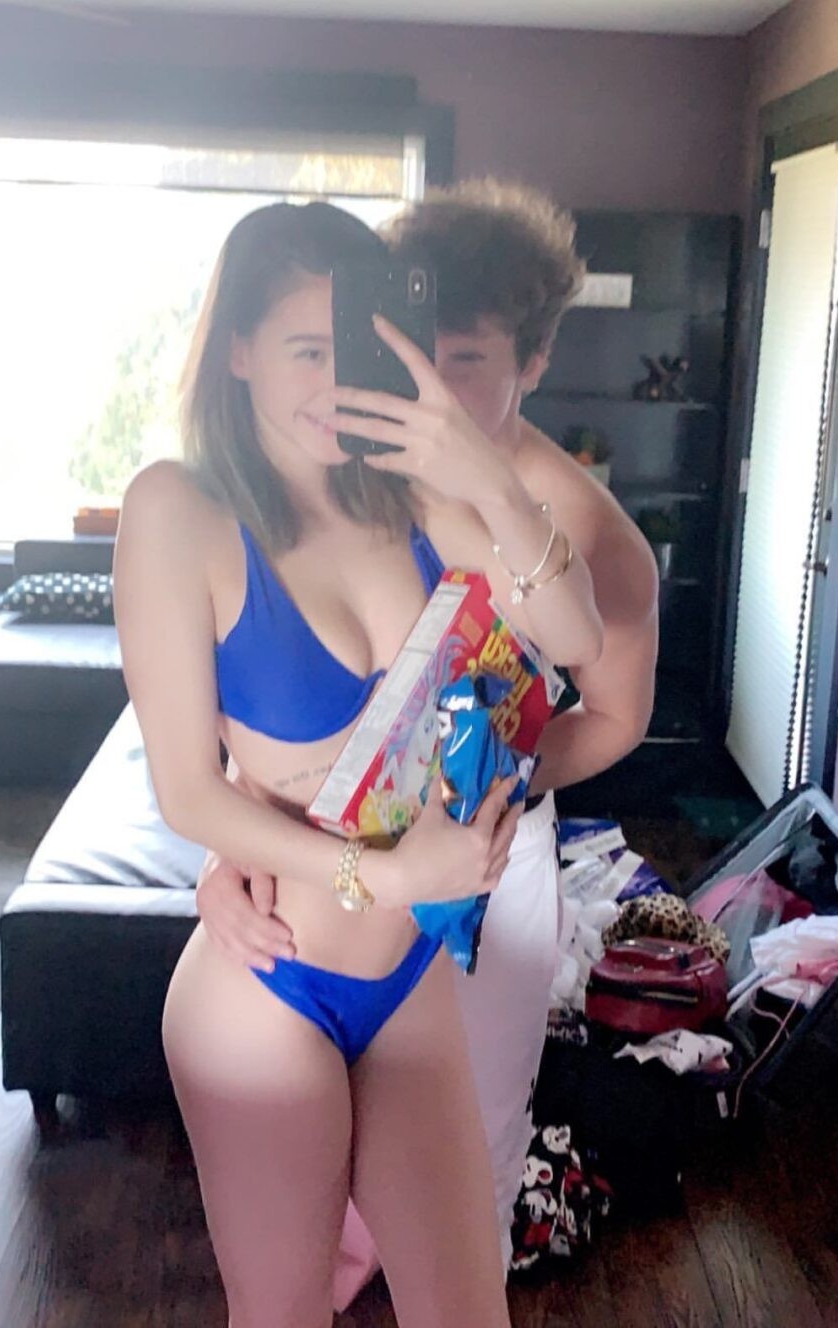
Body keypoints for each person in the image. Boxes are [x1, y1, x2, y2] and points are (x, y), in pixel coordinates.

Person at [113, 199, 603, 1328]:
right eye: (304, 350)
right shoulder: (181, 511)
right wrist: (387, 875)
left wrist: (486, 473)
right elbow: (188, 792)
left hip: (406, 981)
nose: (334, 383)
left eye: (354, 347)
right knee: (285, 1312)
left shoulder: (420, 500)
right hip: (269, 987)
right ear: (238, 349)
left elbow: (575, 634)